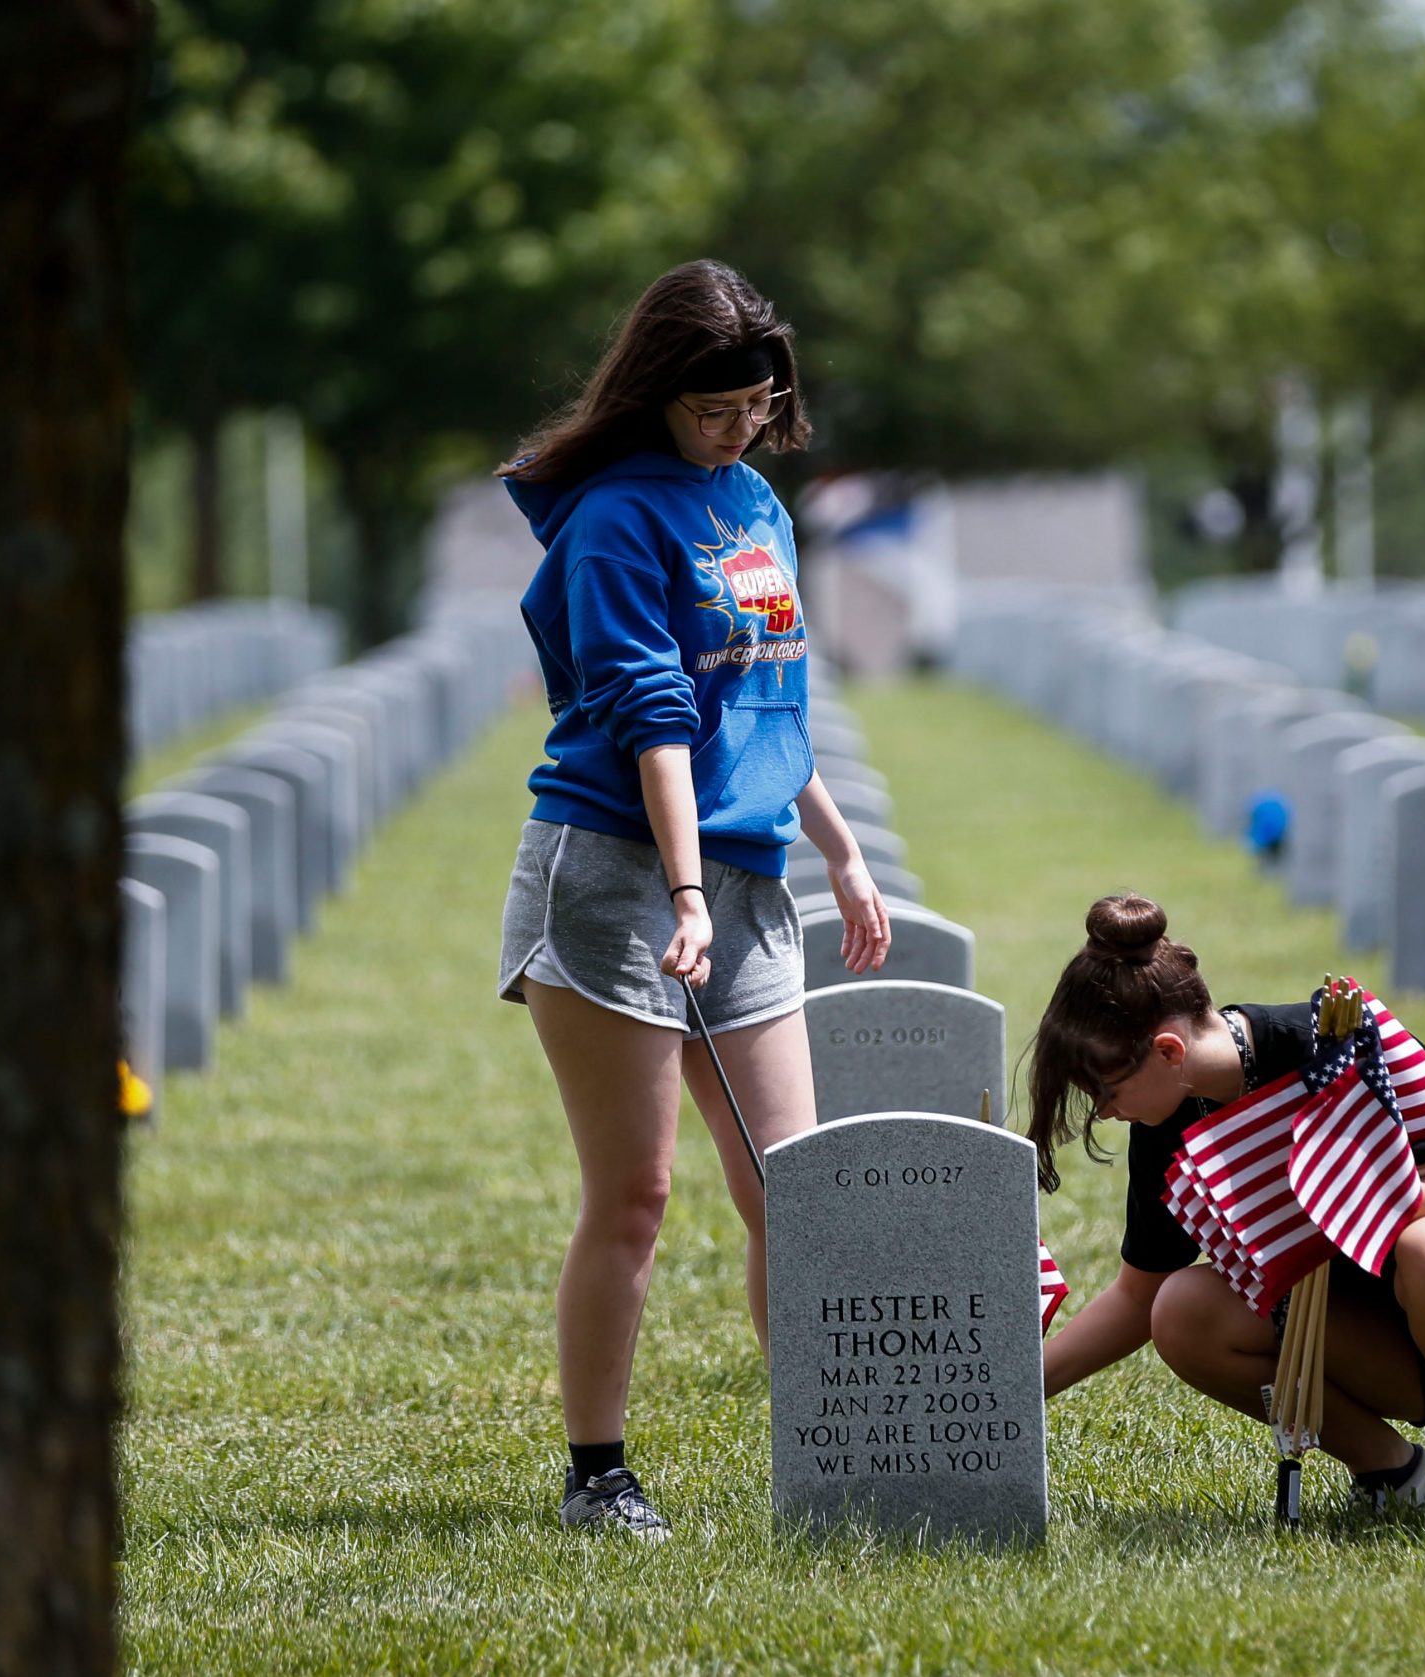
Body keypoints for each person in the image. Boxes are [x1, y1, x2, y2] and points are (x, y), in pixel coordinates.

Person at [495, 259, 891, 1540]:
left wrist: (836, 848)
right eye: (715, 412)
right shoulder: (617, 520)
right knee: (636, 1194)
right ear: (661, 393)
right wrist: (683, 890)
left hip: (748, 870)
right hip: (614, 870)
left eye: (758, 410)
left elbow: (764, 702)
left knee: (793, 1183)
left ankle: (823, 1443)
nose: (737, 432)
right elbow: (657, 719)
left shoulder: (757, 500)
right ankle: (596, 1472)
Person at [1026, 894, 1425, 1527]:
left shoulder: (1335, 1041)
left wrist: (1383, 1200)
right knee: (1183, 1310)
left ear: (1169, 1051)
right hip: (1397, 1335)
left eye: (1106, 1092)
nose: (1104, 1113)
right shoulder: (1171, 1118)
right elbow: (1140, 1299)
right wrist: (1015, 1392)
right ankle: (1394, 1473)